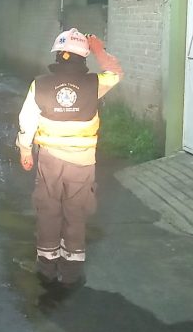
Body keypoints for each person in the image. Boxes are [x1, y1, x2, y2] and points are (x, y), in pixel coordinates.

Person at [16, 28, 123, 290]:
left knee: (48, 211)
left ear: (57, 53)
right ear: (82, 57)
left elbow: (27, 119)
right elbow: (117, 73)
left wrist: (25, 149)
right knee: (75, 214)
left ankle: (46, 269)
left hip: (49, 160)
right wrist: (99, 48)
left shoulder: (39, 83)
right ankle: (71, 273)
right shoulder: (94, 83)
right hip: (82, 162)